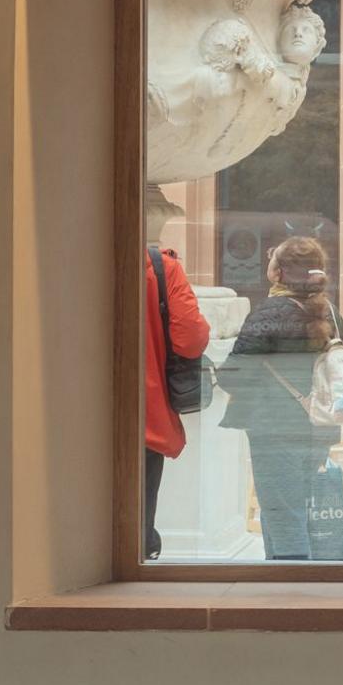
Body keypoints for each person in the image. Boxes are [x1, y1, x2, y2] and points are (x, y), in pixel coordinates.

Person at [218, 235, 343, 559]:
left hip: (276, 432)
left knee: (282, 514)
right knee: (289, 509)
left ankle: (293, 594)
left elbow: (233, 375)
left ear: (278, 273)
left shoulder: (271, 312)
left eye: (272, 260)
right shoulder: (331, 312)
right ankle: (277, 580)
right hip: (318, 428)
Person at [143, 240, 210, 562]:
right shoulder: (162, 268)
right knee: (139, 504)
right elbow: (190, 338)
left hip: (72, 408)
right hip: (145, 406)